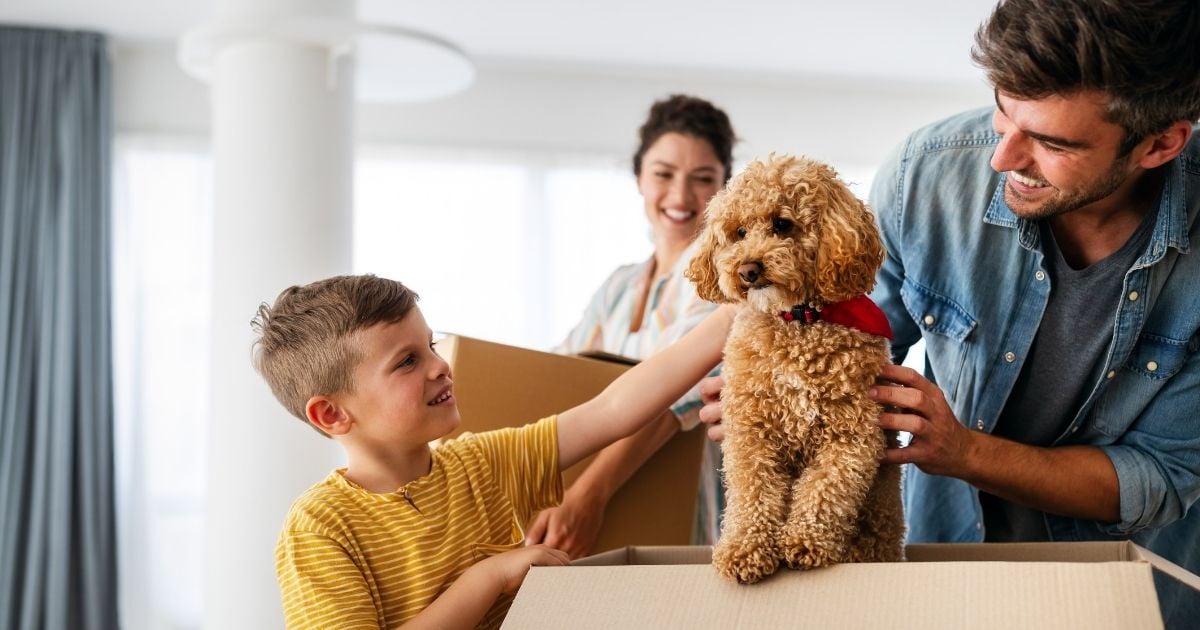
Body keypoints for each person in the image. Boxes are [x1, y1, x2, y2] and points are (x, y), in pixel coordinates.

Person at [701, 0, 1199, 625]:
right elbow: (818, 310)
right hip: (944, 562)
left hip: (1122, 590)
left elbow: (1160, 475)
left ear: (1160, 144)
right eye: (1003, 109)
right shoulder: (928, 174)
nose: (1002, 158)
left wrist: (963, 451)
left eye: (1049, 141)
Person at [253, 274, 732, 629]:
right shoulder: (320, 526)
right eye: (407, 361)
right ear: (332, 415)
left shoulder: (481, 463)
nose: (441, 366)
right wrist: (490, 577)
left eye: (431, 345)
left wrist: (730, 318)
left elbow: (612, 411)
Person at [530, 94, 737, 556]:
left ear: (725, 188)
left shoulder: (728, 281)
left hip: (690, 512)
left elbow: (675, 394)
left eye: (703, 179)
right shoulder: (619, 286)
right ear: (639, 176)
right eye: (663, 174)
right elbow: (556, 370)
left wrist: (589, 495)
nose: (681, 197)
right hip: (622, 517)